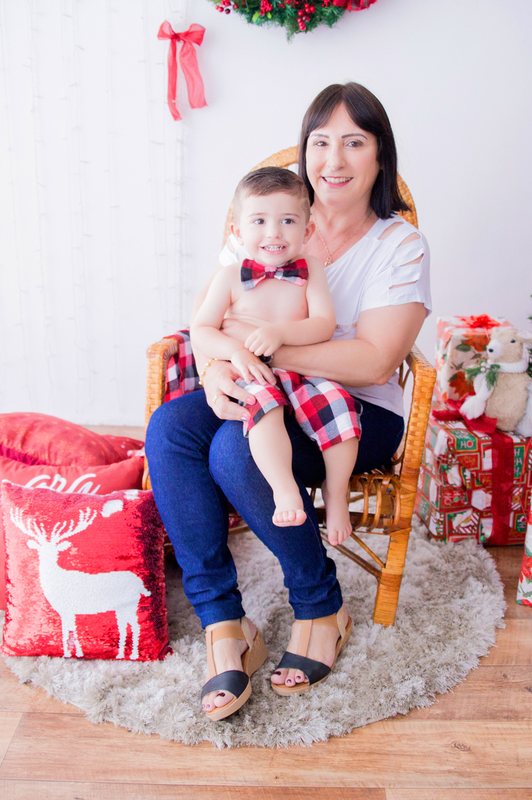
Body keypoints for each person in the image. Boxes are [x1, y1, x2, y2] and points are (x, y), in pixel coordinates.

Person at [144, 82, 430, 720]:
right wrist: (216, 371)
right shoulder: (265, 222)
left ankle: (320, 606)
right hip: (261, 385)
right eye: (321, 142)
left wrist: (268, 354)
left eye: (354, 142)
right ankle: (225, 625)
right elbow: (210, 321)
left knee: (235, 450)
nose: (334, 159)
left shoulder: (399, 245)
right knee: (171, 428)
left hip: (356, 410)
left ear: (380, 155)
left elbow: (375, 360)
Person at [190, 167, 360, 544]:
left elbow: (324, 324)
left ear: (307, 230)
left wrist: (281, 333)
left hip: (304, 369)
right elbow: (201, 329)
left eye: (287, 221)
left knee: (340, 407)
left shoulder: (310, 270)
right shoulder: (230, 276)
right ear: (237, 232)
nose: (274, 233)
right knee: (263, 411)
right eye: (259, 221)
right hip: (255, 374)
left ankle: (337, 491)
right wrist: (235, 353)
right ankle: (284, 488)